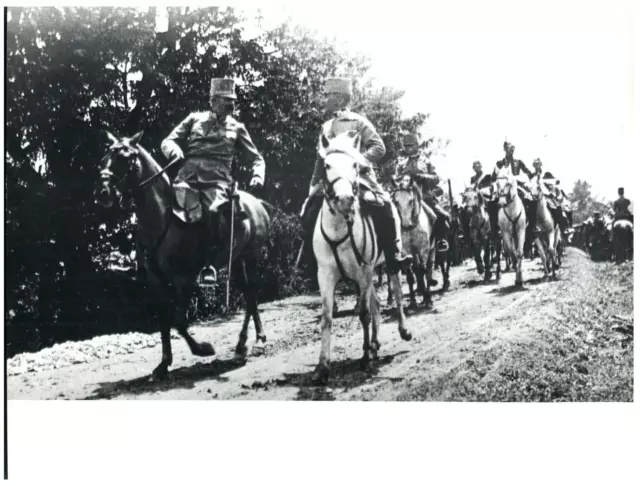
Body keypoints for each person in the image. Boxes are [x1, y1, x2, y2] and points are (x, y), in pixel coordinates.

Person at [300, 77, 411, 273]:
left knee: (384, 207)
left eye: (328, 96)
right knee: (308, 212)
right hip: (332, 182)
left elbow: (379, 147)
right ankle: (310, 259)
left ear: (340, 99)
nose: (324, 100)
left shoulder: (359, 122)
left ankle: (393, 255)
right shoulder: (325, 127)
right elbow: (320, 158)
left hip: (360, 179)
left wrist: (358, 160)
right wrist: (313, 186)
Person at [160, 77, 265, 284]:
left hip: (217, 181)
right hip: (186, 177)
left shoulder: (237, 127)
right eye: (225, 100)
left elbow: (256, 157)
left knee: (214, 210)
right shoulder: (193, 119)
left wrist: (257, 176)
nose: (231, 105)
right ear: (213, 101)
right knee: (161, 206)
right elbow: (168, 141)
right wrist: (174, 151)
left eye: (232, 101)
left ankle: (208, 266)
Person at [395, 132, 451, 251]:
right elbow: (397, 179)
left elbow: (436, 178)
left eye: (410, 145)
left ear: (416, 145)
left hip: (425, 196)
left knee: (441, 215)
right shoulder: (401, 164)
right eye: (406, 146)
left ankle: (440, 240)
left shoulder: (426, 162)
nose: (408, 148)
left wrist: (422, 177)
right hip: (405, 197)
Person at [492, 140, 536, 255]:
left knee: (529, 200)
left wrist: (534, 175)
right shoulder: (499, 163)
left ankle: (532, 226)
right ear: (504, 149)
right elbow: (493, 178)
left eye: (513, 148)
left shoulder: (518, 162)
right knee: (493, 203)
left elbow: (528, 173)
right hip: (503, 187)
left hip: (517, 185)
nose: (511, 150)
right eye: (509, 148)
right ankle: (495, 228)